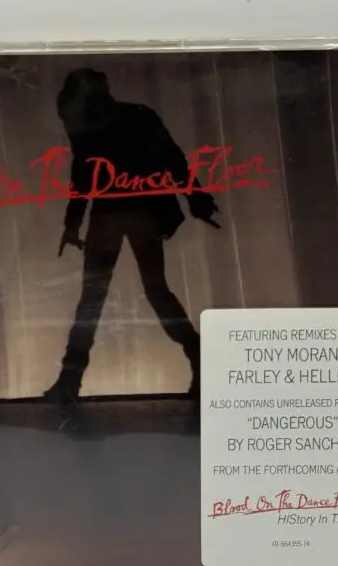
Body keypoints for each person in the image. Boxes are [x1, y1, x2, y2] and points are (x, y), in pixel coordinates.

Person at [45, 67, 220, 407]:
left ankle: (69, 381)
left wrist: (73, 223)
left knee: (101, 298)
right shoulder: (133, 117)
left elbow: (85, 176)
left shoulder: (96, 123)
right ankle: (198, 355)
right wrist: (195, 197)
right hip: (133, 212)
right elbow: (171, 160)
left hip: (123, 213)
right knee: (151, 291)